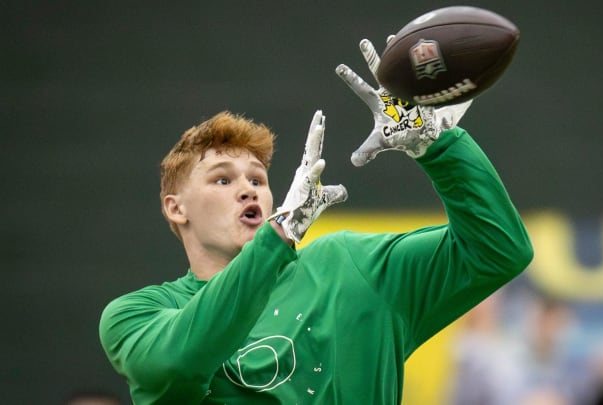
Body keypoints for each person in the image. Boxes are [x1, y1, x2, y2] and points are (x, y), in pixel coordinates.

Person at [98, 38, 533, 404]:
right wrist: (278, 236)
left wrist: (438, 148)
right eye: (222, 180)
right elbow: (180, 360)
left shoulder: (349, 265)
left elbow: (498, 252)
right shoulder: (137, 316)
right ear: (177, 208)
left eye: (257, 178)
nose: (248, 189)